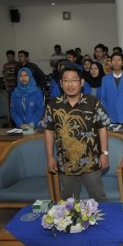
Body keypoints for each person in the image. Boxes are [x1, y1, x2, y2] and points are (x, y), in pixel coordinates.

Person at [42, 67, 111, 201]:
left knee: (98, 198)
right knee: (69, 201)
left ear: (82, 82)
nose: (70, 84)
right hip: (66, 162)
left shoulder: (93, 102)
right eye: (66, 81)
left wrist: (104, 153)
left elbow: (102, 127)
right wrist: (50, 156)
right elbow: (49, 130)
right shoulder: (53, 105)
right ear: (61, 84)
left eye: (74, 80)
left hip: (91, 161)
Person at [99, 52, 123, 125]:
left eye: (119, 60)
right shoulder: (105, 79)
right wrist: (105, 117)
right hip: (110, 118)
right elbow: (103, 99)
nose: (116, 62)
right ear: (111, 62)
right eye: (114, 60)